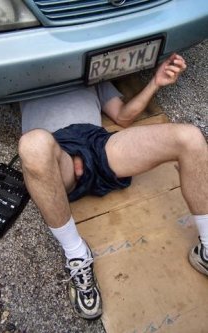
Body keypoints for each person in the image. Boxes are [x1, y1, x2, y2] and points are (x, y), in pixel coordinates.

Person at [18, 54, 208, 320]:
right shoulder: (21, 75)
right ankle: (77, 255)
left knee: (191, 137)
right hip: (56, 153)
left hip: (99, 145)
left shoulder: (89, 73)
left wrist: (156, 82)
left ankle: (207, 249)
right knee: (32, 145)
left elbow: (123, 117)